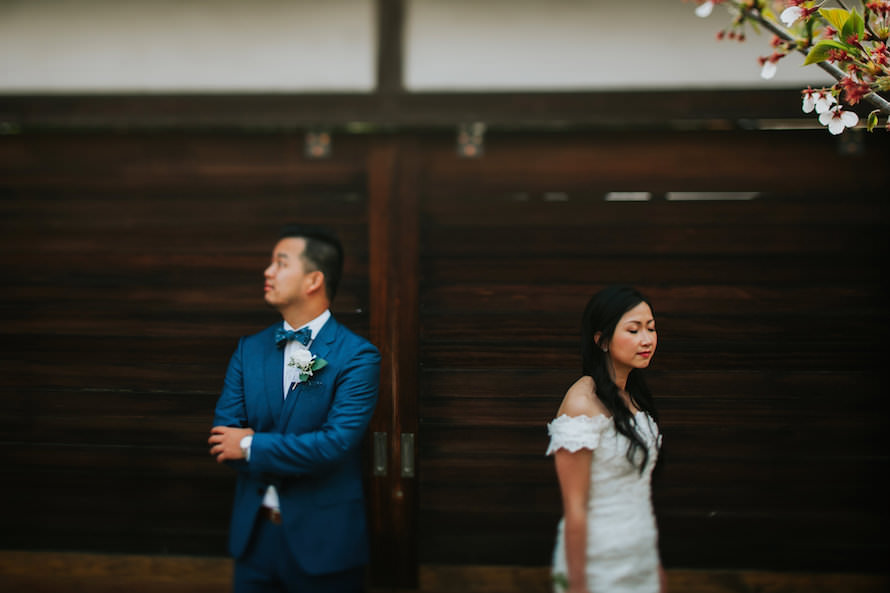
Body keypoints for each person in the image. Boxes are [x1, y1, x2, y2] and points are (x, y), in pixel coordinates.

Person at [208, 224, 380, 593]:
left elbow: (335, 444)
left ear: (313, 279)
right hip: (254, 539)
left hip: (325, 541)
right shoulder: (248, 350)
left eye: (280, 263)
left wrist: (253, 446)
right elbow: (225, 439)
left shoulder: (357, 357)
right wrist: (253, 448)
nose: (268, 272)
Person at [547, 286, 665, 593]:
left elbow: (639, 492)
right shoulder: (581, 404)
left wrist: (656, 568)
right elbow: (575, 508)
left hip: (639, 553)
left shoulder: (633, 394)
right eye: (634, 329)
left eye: (651, 328)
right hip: (596, 564)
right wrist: (577, 584)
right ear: (601, 340)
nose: (647, 339)